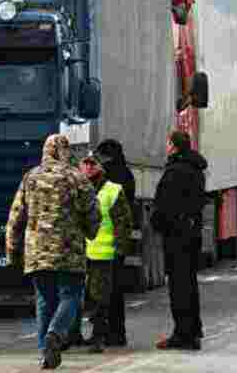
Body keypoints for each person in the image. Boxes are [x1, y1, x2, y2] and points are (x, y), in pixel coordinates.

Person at [6, 134, 99, 370]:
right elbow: (92, 212)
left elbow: (16, 216)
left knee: (44, 300)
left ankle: (45, 354)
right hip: (69, 250)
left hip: (37, 252)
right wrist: (91, 232)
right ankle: (55, 334)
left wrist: (12, 250)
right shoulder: (76, 178)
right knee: (71, 295)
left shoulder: (30, 177)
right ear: (66, 152)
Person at [150, 131, 208, 351]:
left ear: (174, 146)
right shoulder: (196, 169)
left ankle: (182, 334)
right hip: (192, 233)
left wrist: (158, 223)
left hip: (177, 235)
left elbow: (165, 204)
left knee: (178, 287)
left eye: (168, 143)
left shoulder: (175, 171)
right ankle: (193, 331)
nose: (166, 147)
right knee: (190, 284)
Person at [78, 151, 134, 354]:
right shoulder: (77, 189)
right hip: (79, 253)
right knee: (80, 297)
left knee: (100, 298)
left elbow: (123, 223)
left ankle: (99, 336)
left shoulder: (112, 190)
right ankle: (76, 335)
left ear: (100, 167)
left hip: (104, 254)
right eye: (85, 163)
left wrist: (120, 249)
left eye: (93, 164)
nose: (89, 167)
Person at [93, 139, 136, 347]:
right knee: (116, 290)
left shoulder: (106, 178)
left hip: (101, 243)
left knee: (101, 291)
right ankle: (118, 332)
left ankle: (104, 332)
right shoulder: (127, 175)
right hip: (117, 242)